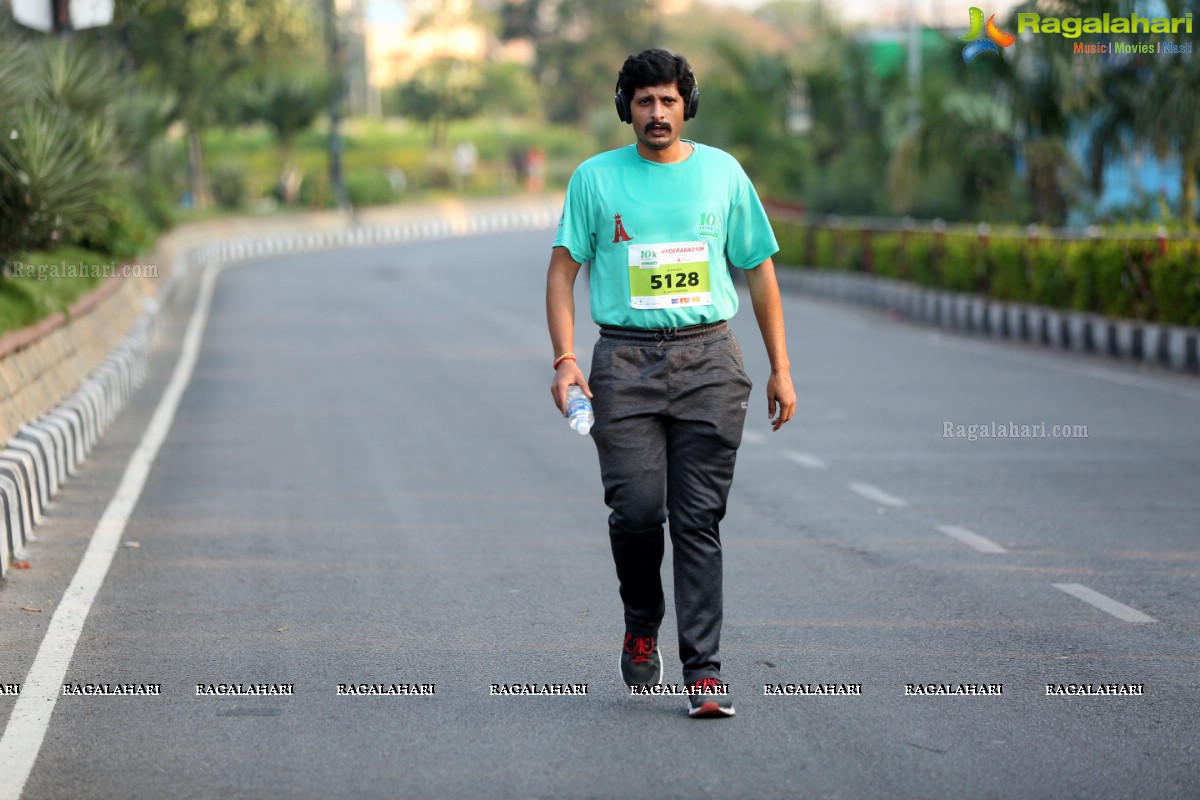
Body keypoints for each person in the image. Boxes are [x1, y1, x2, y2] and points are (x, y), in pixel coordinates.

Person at [545, 48, 795, 718]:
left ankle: (705, 671)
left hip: (710, 360)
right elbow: (563, 272)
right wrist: (565, 358)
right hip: (623, 364)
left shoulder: (723, 175)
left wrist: (781, 365)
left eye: (669, 100)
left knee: (697, 519)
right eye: (645, 100)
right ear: (626, 105)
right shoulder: (595, 181)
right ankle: (640, 618)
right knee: (635, 511)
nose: (657, 113)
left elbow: (759, 271)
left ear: (687, 105)